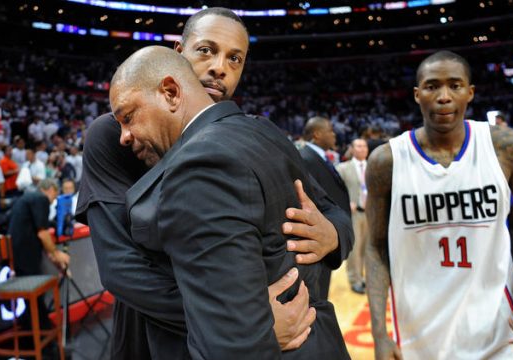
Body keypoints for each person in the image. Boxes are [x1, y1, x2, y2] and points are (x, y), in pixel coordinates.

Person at [77, 7, 352, 358]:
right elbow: (122, 270)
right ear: (178, 56)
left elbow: (330, 209)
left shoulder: (254, 131)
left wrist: (334, 235)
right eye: (206, 50)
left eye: (234, 59)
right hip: (168, 332)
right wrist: (247, 319)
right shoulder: (116, 134)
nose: (220, 67)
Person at [366, 50, 513, 359]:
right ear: (417, 94)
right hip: (420, 333)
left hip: (499, 327)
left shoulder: (504, 147)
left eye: (455, 85)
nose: (444, 96)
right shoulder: (387, 161)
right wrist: (378, 332)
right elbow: (375, 246)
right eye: (432, 86)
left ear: (470, 92)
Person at [7, 178, 70, 342]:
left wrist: (52, 254)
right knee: (35, 300)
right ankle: (45, 337)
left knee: (32, 302)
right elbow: (42, 233)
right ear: (49, 190)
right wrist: (56, 253)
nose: (53, 201)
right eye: (54, 196)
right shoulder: (40, 199)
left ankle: (36, 333)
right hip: (26, 254)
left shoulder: (26, 199)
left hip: (19, 254)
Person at [299, 116, 351, 299]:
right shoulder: (306, 158)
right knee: (318, 298)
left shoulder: (319, 157)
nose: (334, 134)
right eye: (330, 130)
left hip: (329, 238)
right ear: (317, 134)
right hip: (320, 238)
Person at [336, 138, 369, 294]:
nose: (362, 149)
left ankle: (362, 278)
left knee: (366, 248)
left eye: (364, 146)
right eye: (358, 146)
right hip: (354, 214)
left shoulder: (373, 166)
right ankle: (354, 279)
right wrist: (345, 203)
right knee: (355, 250)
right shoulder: (343, 168)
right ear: (352, 149)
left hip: (371, 214)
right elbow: (334, 190)